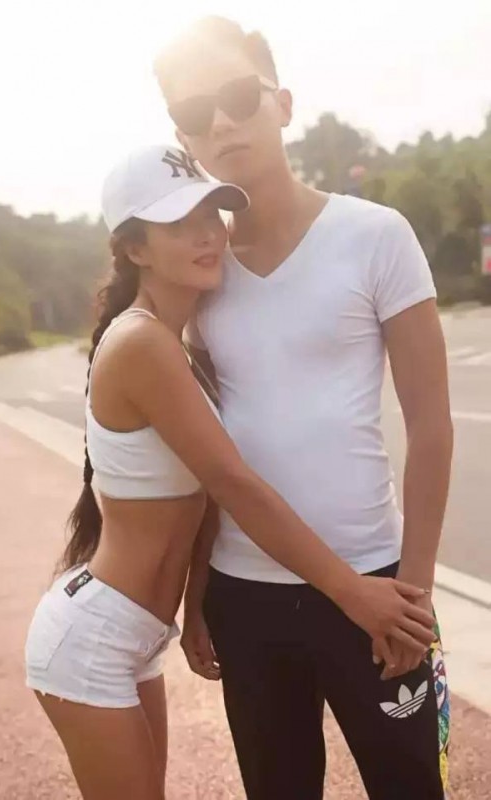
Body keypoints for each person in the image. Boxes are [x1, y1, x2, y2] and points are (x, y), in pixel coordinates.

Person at [24, 144, 436, 800]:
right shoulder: (143, 343)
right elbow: (233, 483)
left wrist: (195, 596)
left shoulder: (178, 341)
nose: (207, 235)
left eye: (210, 215)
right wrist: (354, 594)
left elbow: (198, 503)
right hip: (93, 641)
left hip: (135, 638)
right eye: (179, 223)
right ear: (134, 249)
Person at [154, 17, 454, 800]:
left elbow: (431, 427)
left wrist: (415, 593)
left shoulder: (376, 236)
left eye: (238, 96)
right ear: (184, 138)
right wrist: (197, 590)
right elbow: (208, 456)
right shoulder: (201, 273)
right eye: (195, 113)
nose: (222, 122)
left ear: (282, 103)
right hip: (244, 596)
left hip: (374, 584)